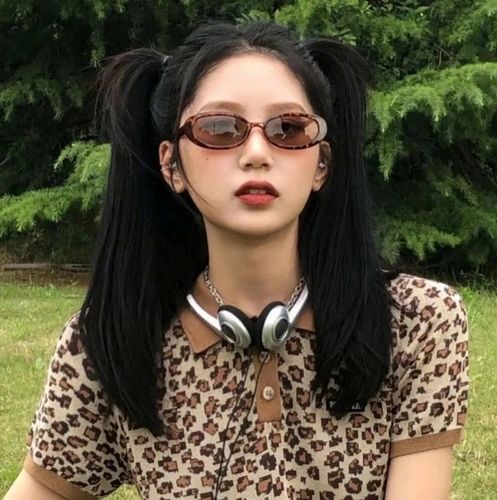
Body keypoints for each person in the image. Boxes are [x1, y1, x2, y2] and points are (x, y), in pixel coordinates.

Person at [6, 20, 469, 500]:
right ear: (171, 164)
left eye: (288, 129)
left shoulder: (417, 322)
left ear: (322, 165)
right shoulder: (112, 340)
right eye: (219, 129)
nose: (256, 152)